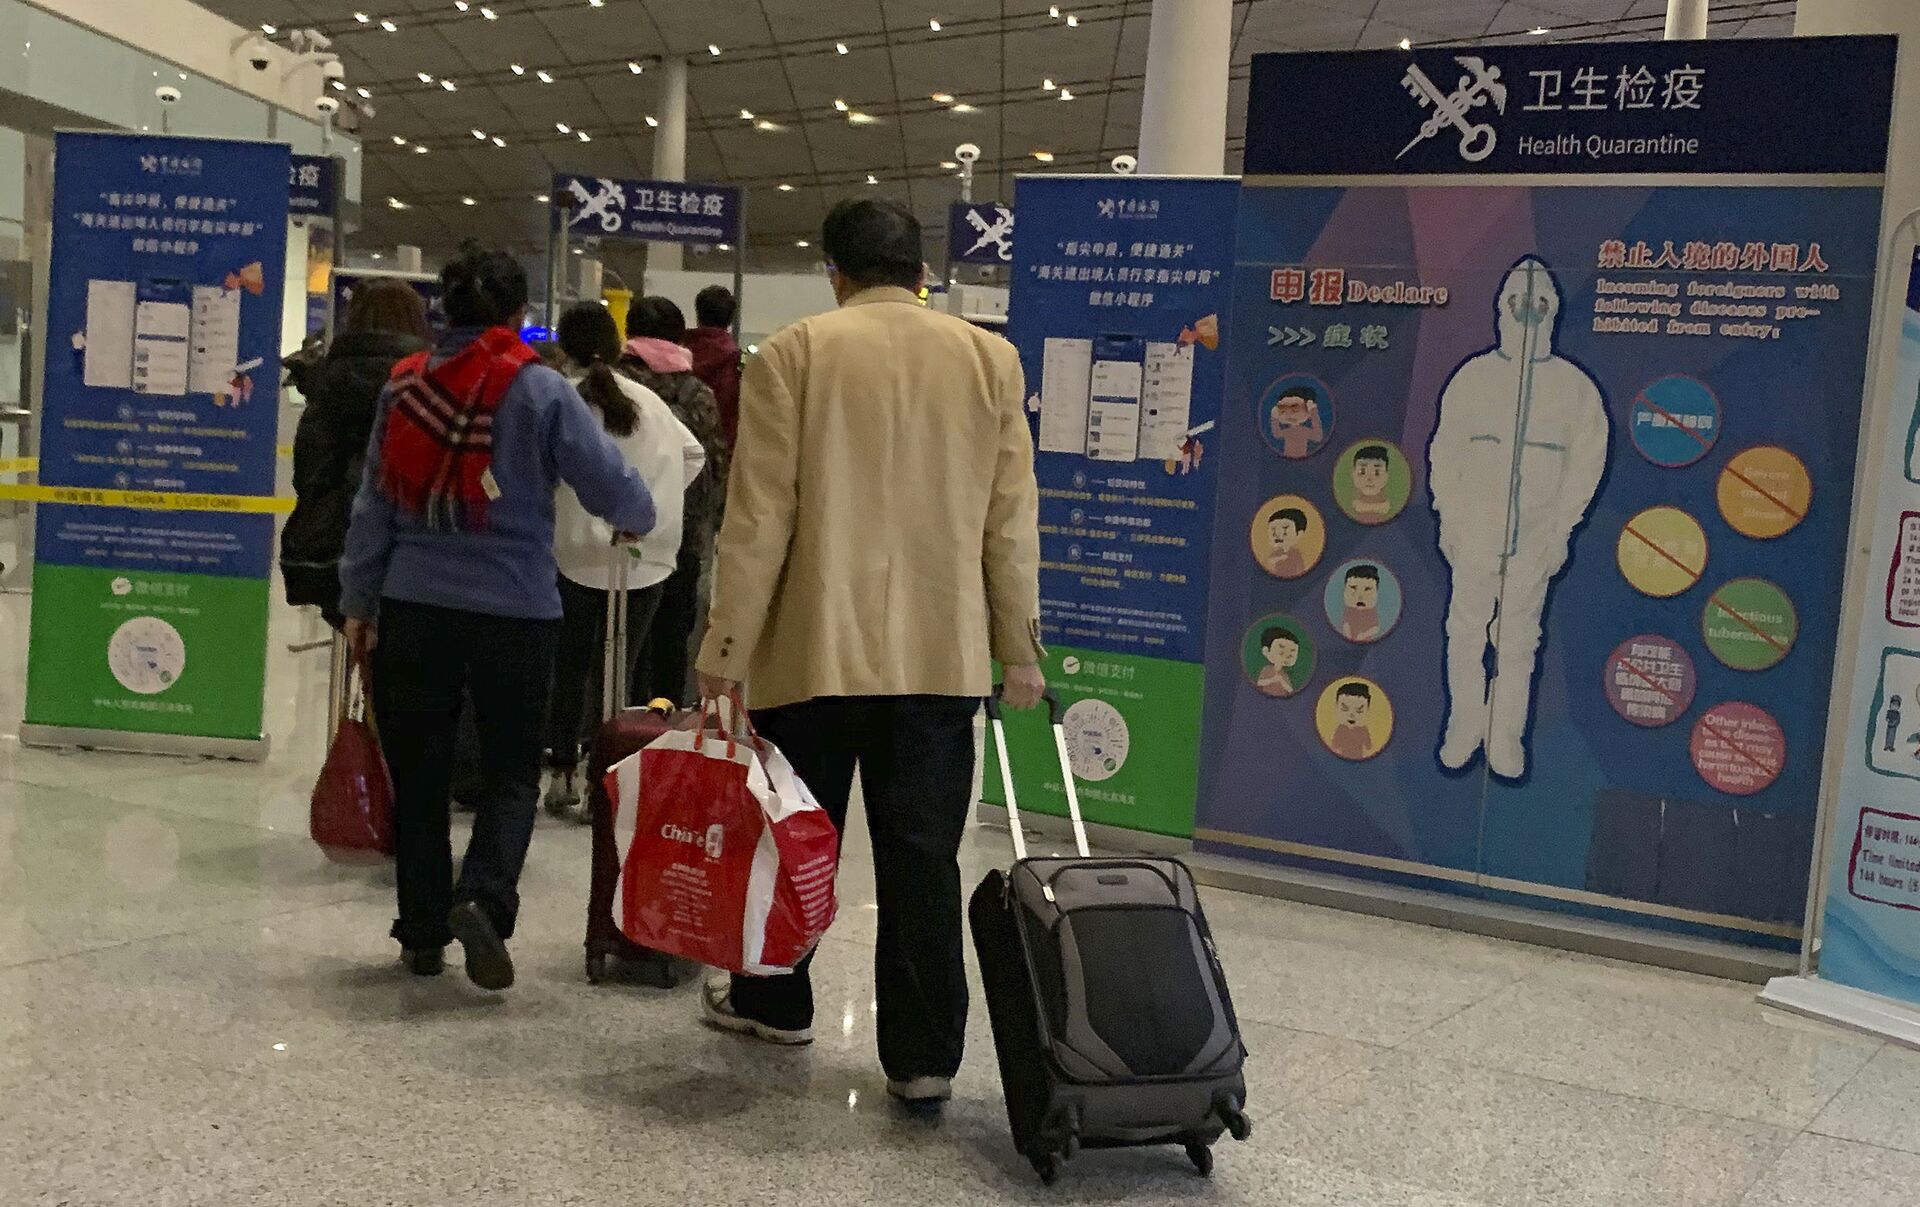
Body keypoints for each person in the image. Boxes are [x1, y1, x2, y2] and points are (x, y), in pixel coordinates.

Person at [693, 198, 1044, 1111]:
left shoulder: (794, 353)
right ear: (921, 272)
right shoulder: (989, 359)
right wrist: (1019, 649)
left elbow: (759, 518)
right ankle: (923, 1057)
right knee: (924, 859)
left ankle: (776, 1004)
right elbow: (1009, 523)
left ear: (835, 272)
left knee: (793, 839)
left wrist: (725, 647)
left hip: (811, 650)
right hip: (939, 657)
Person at [338, 243, 656, 991]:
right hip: (516, 611)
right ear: (519, 313)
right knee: (512, 772)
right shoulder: (538, 389)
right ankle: (482, 897)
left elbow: (374, 502)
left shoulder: (405, 385)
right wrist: (636, 515)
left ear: (445, 309)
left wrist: (358, 601)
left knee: (421, 773)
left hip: (413, 605)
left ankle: (421, 935)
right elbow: (610, 482)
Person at [1430, 256, 1608, 780]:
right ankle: (1465, 724)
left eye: (1539, 303)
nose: (1528, 311)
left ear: (1553, 308)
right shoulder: (1473, 377)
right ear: (1501, 306)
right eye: (1519, 301)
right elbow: (1446, 453)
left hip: (1535, 539)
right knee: (1464, 631)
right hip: (1474, 532)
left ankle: (1506, 735)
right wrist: (1449, 520)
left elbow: (1587, 464)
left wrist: (1561, 532)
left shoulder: (1574, 389)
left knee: (1519, 639)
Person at [542, 303, 705, 817]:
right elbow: (694, 454)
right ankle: (607, 778)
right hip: (646, 553)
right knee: (620, 666)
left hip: (572, 550)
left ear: (564, 347)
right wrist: (659, 497)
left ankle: (562, 771)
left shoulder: (559, 397)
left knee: (570, 665)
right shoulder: (650, 402)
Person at [281, 280, 430, 627]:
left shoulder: (328, 383)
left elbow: (309, 473)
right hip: (411, 552)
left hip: (336, 551)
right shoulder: (427, 383)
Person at [684, 285, 743, 451]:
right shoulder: (737, 362)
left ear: (698, 314)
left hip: (683, 444)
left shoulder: (678, 353)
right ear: (730, 320)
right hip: (721, 447)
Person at [1268, 385, 1325, 458]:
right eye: (1283, 411)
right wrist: (1274, 419)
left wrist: (1313, 412)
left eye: (1295, 410)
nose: (1289, 415)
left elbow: (1318, 437)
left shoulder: (1304, 431)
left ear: (1308, 411)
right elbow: (1277, 434)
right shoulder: (1288, 431)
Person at [1347, 443, 1394, 521]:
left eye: (1377, 472)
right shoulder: (1350, 509)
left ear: (1386, 476)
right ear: (1353, 475)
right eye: (1362, 472)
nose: (1369, 479)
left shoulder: (1390, 511)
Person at [1329, 682, 1375, 760]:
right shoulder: (1341, 729)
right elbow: (1334, 746)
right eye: (1345, 709)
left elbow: (1369, 747)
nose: (1351, 715)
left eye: (1359, 711)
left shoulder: (1363, 730)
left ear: (1367, 710)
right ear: (1337, 707)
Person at [1338, 564, 1383, 642]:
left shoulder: (1371, 612)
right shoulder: (1348, 611)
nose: (1360, 596)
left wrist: (1364, 635)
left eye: (1367, 589)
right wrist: (1348, 634)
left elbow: (1376, 628)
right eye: (1353, 588)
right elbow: (1345, 624)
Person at [1263, 506, 1309, 578]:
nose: (1277, 534)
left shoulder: (1296, 554)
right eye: (1273, 529)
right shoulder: (1274, 553)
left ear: (1299, 533)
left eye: (1285, 529)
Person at [1255, 627, 1302, 698]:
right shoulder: (1267, 669)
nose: (1285, 657)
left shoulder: (1284, 674)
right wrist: (1273, 680)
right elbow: (1259, 683)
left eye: (1291, 652)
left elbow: (1290, 690)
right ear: (1266, 651)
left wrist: (1281, 681)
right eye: (1281, 652)